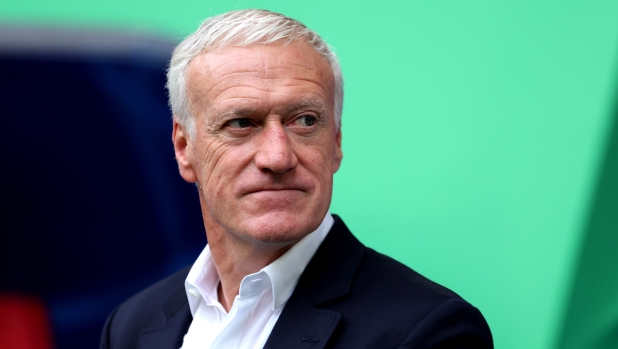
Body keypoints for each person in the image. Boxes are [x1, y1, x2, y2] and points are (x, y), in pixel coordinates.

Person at [100, 9, 493, 349]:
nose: (278, 156)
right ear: (185, 149)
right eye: (241, 123)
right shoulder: (131, 325)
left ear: (335, 142)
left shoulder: (428, 332)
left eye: (305, 121)